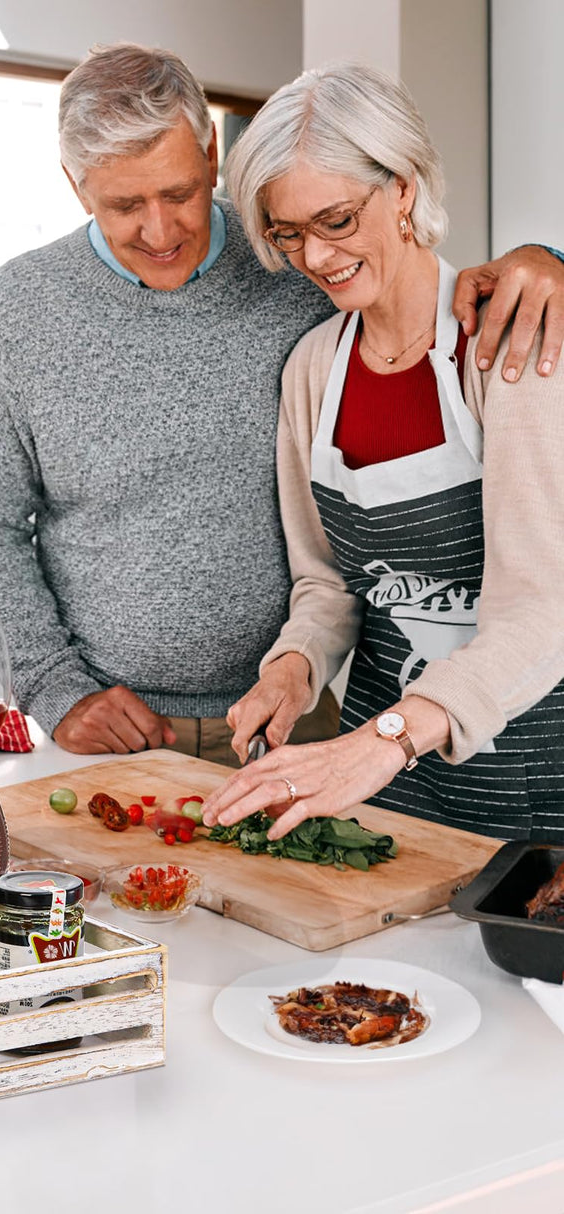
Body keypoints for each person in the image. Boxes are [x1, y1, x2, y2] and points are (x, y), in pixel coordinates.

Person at [0, 43, 564, 767]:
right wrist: (54, 687)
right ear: (75, 186)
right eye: (124, 205)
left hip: (301, 719)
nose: (160, 231)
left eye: (178, 193)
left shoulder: (295, 262)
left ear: (212, 152)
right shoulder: (17, 311)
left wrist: (547, 260)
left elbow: (417, 288)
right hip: (111, 730)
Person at [201, 62, 564, 843]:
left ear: (402, 187)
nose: (315, 256)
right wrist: (294, 667)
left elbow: (547, 608)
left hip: (531, 785)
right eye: (287, 232)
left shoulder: (509, 345)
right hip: (377, 789)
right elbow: (330, 581)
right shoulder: (312, 370)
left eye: (336, 219)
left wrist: (384, 741)